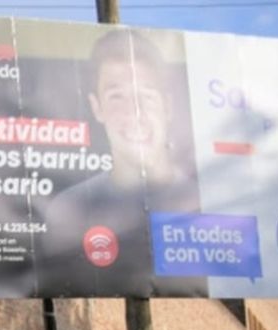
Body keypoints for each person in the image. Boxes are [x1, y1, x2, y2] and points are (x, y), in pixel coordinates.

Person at [38, 29, 205, 296]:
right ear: (97, 107)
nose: (134, 113)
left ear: (168, 106)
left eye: (146, 96)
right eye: (117, 97)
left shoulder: (206, 206)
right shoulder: (66, 213)